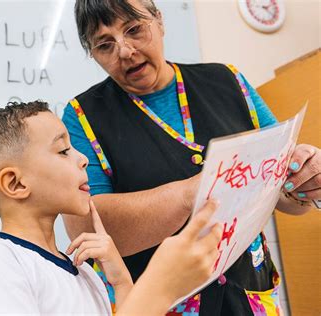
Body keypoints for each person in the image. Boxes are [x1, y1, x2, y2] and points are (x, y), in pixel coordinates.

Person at [62, 0, 321, 315]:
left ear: (159, 21)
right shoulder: (84, 115)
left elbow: (284, 194)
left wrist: (304, 178)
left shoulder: (228, 81)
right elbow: (87, 226)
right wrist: (194, 191)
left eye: (134, 30)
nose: (126, 51)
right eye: (105, 45)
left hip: (250, 291)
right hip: (160, 304)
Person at [0, 101, 223, 315]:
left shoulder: (85, 271)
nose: (82, 159)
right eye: (63, 151)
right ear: (15, 183)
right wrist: (159, 287)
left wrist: (122, 284)